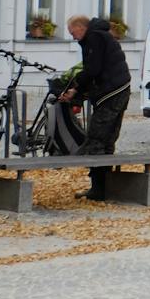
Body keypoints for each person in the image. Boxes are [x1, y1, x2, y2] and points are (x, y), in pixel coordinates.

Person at [63, 15, 133, 198]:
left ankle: (98, 189)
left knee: (96, 139)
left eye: (73, 32)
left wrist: (74, 85)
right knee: (108, 140)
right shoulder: (100, 35)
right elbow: (95, 70)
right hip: (121, 88)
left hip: (111, 92)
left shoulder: (94, 38)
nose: (73, 37)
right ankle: (103, 188)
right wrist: (77, 93)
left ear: (81, 27)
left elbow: (92, 70)